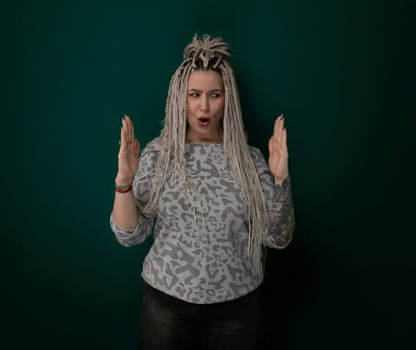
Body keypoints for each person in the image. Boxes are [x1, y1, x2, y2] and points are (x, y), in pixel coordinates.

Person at [110, 34, 295, 350]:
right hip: (165, 306)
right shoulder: (159, 155)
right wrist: (124, 180)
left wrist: (281, 180)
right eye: (194, 94)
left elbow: (276, 238)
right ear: (180, 98)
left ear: (228, 100)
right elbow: (130, 235)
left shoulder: (249, 159)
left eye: (215, 95)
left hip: (237, 310)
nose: (204, 106)